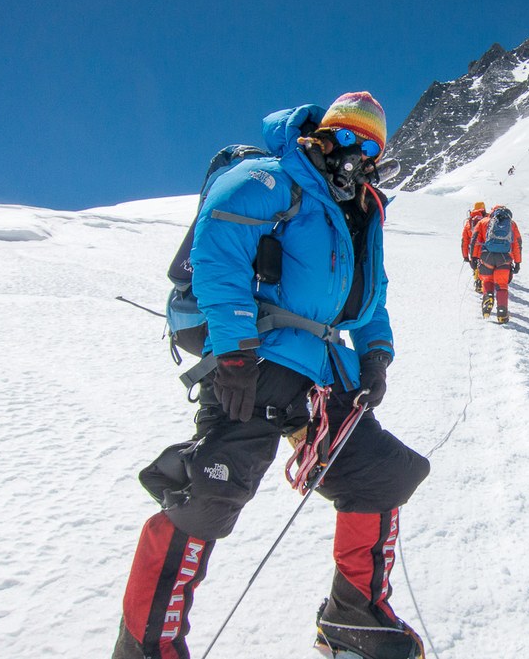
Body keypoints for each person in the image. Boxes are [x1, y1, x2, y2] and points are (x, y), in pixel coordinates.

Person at [112, 92, 430, 659]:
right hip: (258, 358)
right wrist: (234, 353)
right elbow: (218, 250)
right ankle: (146, 645)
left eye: (370, 145)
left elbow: (372, 297)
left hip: (326, 370)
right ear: (325, 132)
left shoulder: (362, 212)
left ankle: (355, 618)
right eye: (347, 136)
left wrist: (375, 355)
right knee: (211, 488)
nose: (355, 153)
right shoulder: (272, 178)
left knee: (381, 473)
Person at [469, 205, 522, 324]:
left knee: (487, 280)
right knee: (502, 285)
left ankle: (488, 296)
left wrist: (474, 258)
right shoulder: (512, 225)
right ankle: (502, 314)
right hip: (504, 258)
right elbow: (517, 244)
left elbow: (475, 241)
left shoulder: (483, 222)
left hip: (486, 256)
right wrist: (517, 262)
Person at [461, 201, 487, 293]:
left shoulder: (469, 222)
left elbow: (464, 241)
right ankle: (484, 284)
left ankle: (478, 282)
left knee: (475, 266)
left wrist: (465, 255)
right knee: (485, 267)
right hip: (485, 250)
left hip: (472, 251)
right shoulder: (487, 220)